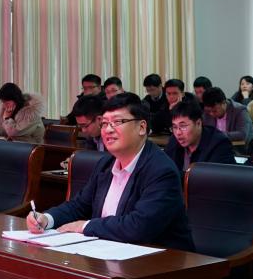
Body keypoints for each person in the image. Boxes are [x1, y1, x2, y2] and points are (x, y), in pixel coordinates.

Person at [28, 93, 195, 250]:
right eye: (105, 123)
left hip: (161, 262)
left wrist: (85, 226)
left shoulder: (161, 170)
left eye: (117, 122)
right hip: (109, 252)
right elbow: (79, 206)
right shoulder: (106, 164)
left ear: (142, 127)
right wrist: (47, 219)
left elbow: (139, 227)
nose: (108, 130)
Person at [164, 100, 235, 174]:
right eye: (175, 127)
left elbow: (211, 178)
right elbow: (164, 169)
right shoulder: (174, 140)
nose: (178, 132)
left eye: (183, 126)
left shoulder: (219, 144)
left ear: (198, 123)